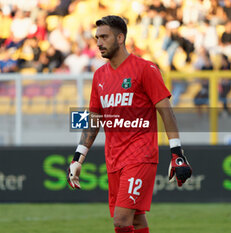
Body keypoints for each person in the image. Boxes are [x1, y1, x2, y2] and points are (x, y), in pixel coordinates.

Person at [66, 15, 192, 233]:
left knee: (121, 221)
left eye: (104, 37)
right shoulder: (99, 76)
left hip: (140, 156)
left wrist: (177, 153)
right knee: (135, 222)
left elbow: (166, 111)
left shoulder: (145, 69)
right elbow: (94, 119)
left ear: (120, 37)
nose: (98, 43)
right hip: (114, 158)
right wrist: (79, 157)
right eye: (97, 37)